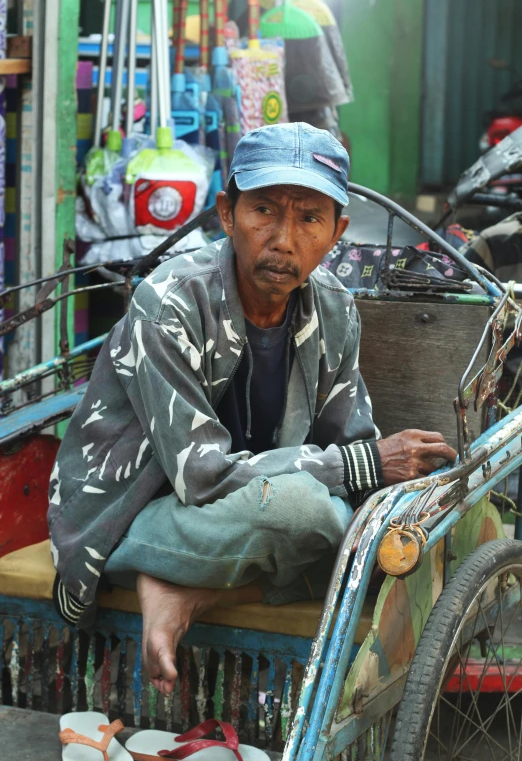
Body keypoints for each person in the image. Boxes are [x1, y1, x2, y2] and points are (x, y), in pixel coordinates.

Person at [48, 122, 456, 695]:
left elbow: (351, 440)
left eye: (310, 218)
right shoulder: (168, 303)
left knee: (387, 534)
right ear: (226, 213)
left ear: (337, 232)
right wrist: (359, 469)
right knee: (306, 513)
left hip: (244, 515)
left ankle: (191, 590)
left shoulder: (334, 310)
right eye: (264, 210)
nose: (284, 239)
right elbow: (202, 475)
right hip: (136, 515)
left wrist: (393, 494)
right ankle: (157, 572)